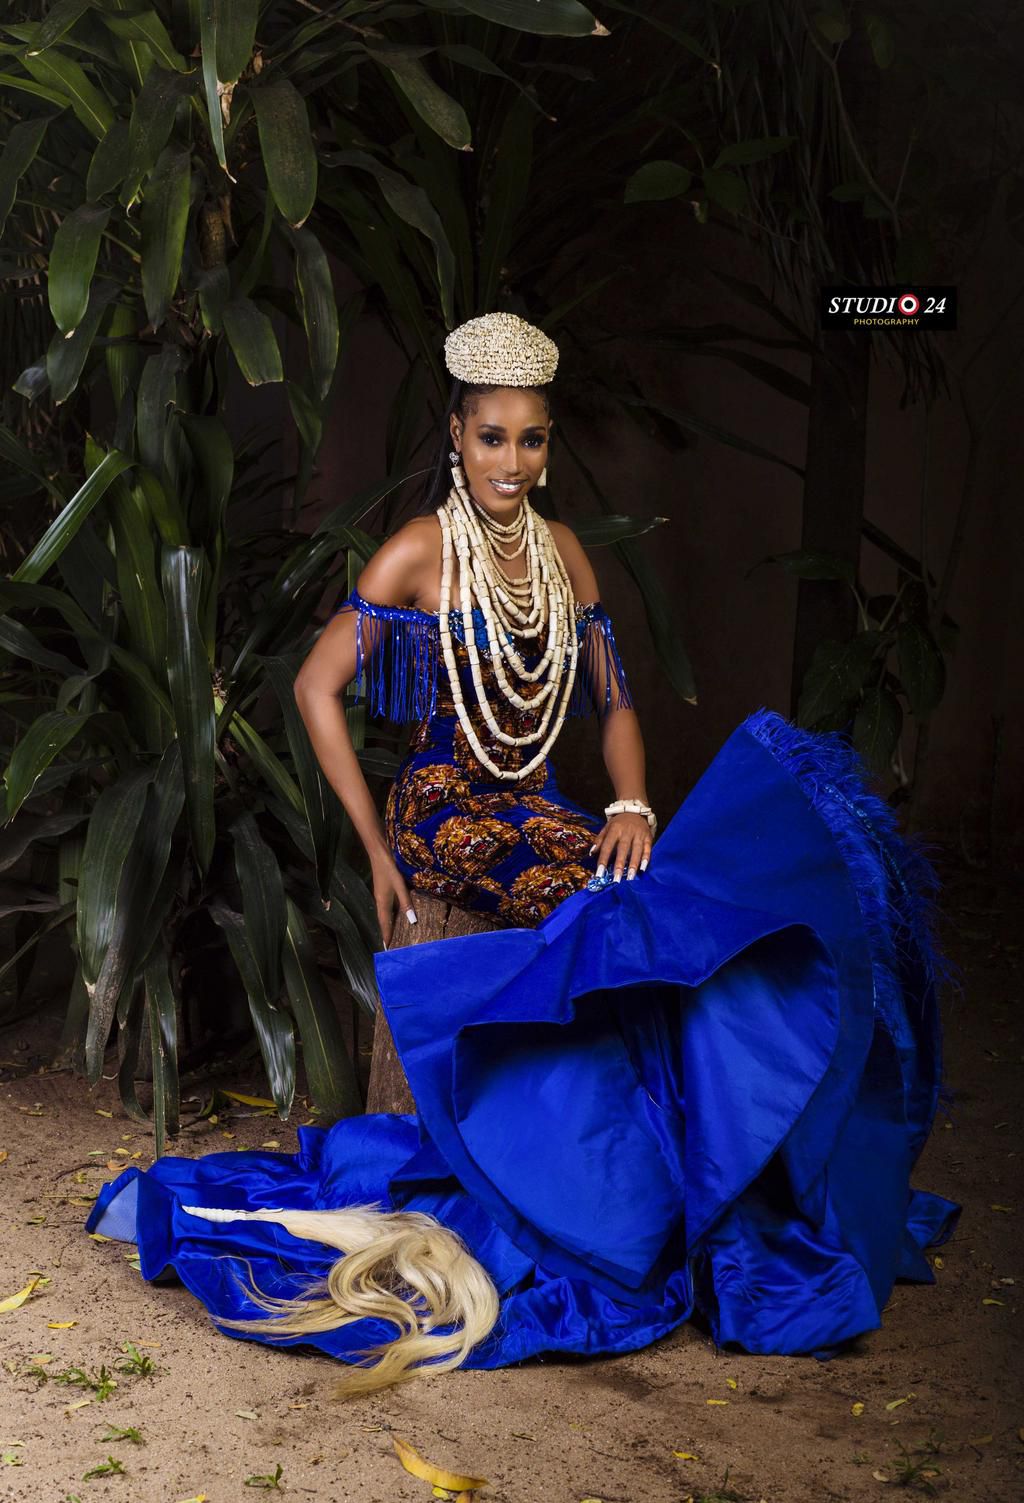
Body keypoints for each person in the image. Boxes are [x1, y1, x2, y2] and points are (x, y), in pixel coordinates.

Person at [86, 313, 961, 1401]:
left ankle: (677, 1177)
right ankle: (576, 1185)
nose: (513, 462)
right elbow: (316, 686)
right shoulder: (416, 548)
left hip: (533, 799)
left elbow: (616, 701)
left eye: (533, 440)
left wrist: (634, 798)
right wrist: (370, 842)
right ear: (457, 434)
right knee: (594, 913)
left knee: (652, 890)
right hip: (441, 802)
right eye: (493, 437)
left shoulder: (562, 554)